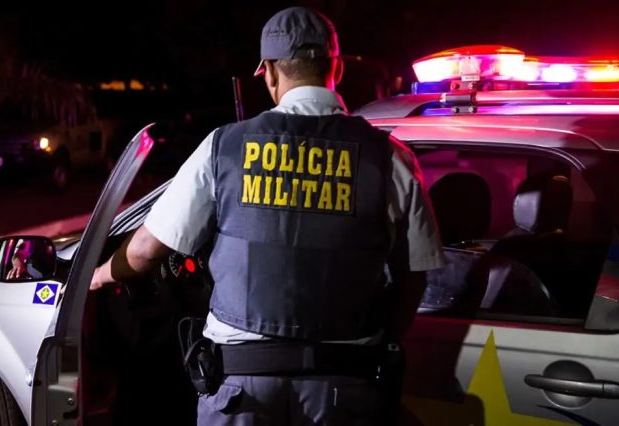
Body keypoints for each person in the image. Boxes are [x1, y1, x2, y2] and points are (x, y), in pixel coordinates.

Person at [90, 6, 443, 425]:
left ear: (270, 72)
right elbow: (414, 275)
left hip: (242, 388)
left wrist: (98, 276)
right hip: (346, 386)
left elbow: (147, 250)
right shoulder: (390, 157)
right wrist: (383, 342)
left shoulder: (224, 146)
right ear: (338, 69)